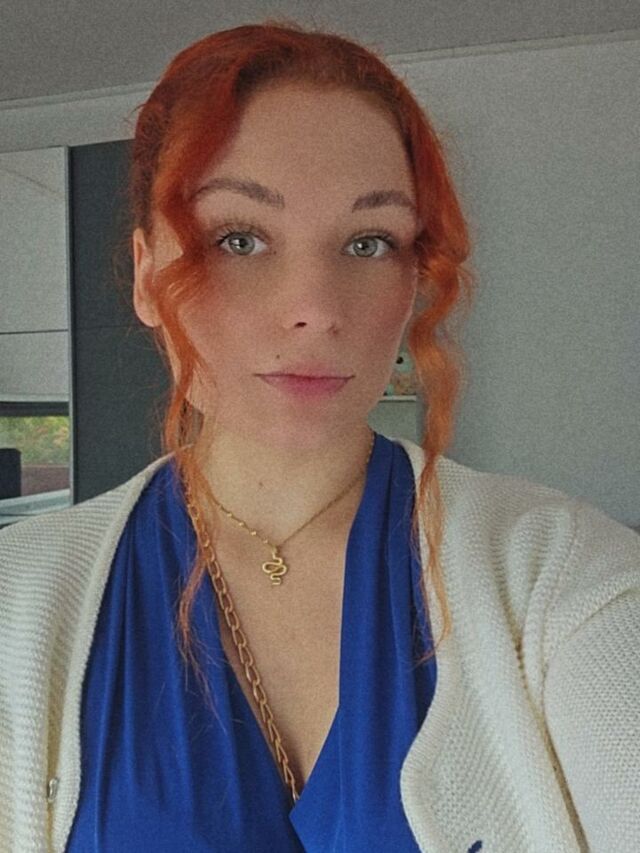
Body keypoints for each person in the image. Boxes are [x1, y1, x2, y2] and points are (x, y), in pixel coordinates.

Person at [1, 17, 639, 853]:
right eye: (239, 239)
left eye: (368, 242)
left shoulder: (567, 579)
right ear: (149, 278)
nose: (316, 309)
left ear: (415, 277)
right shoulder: (16, 603)